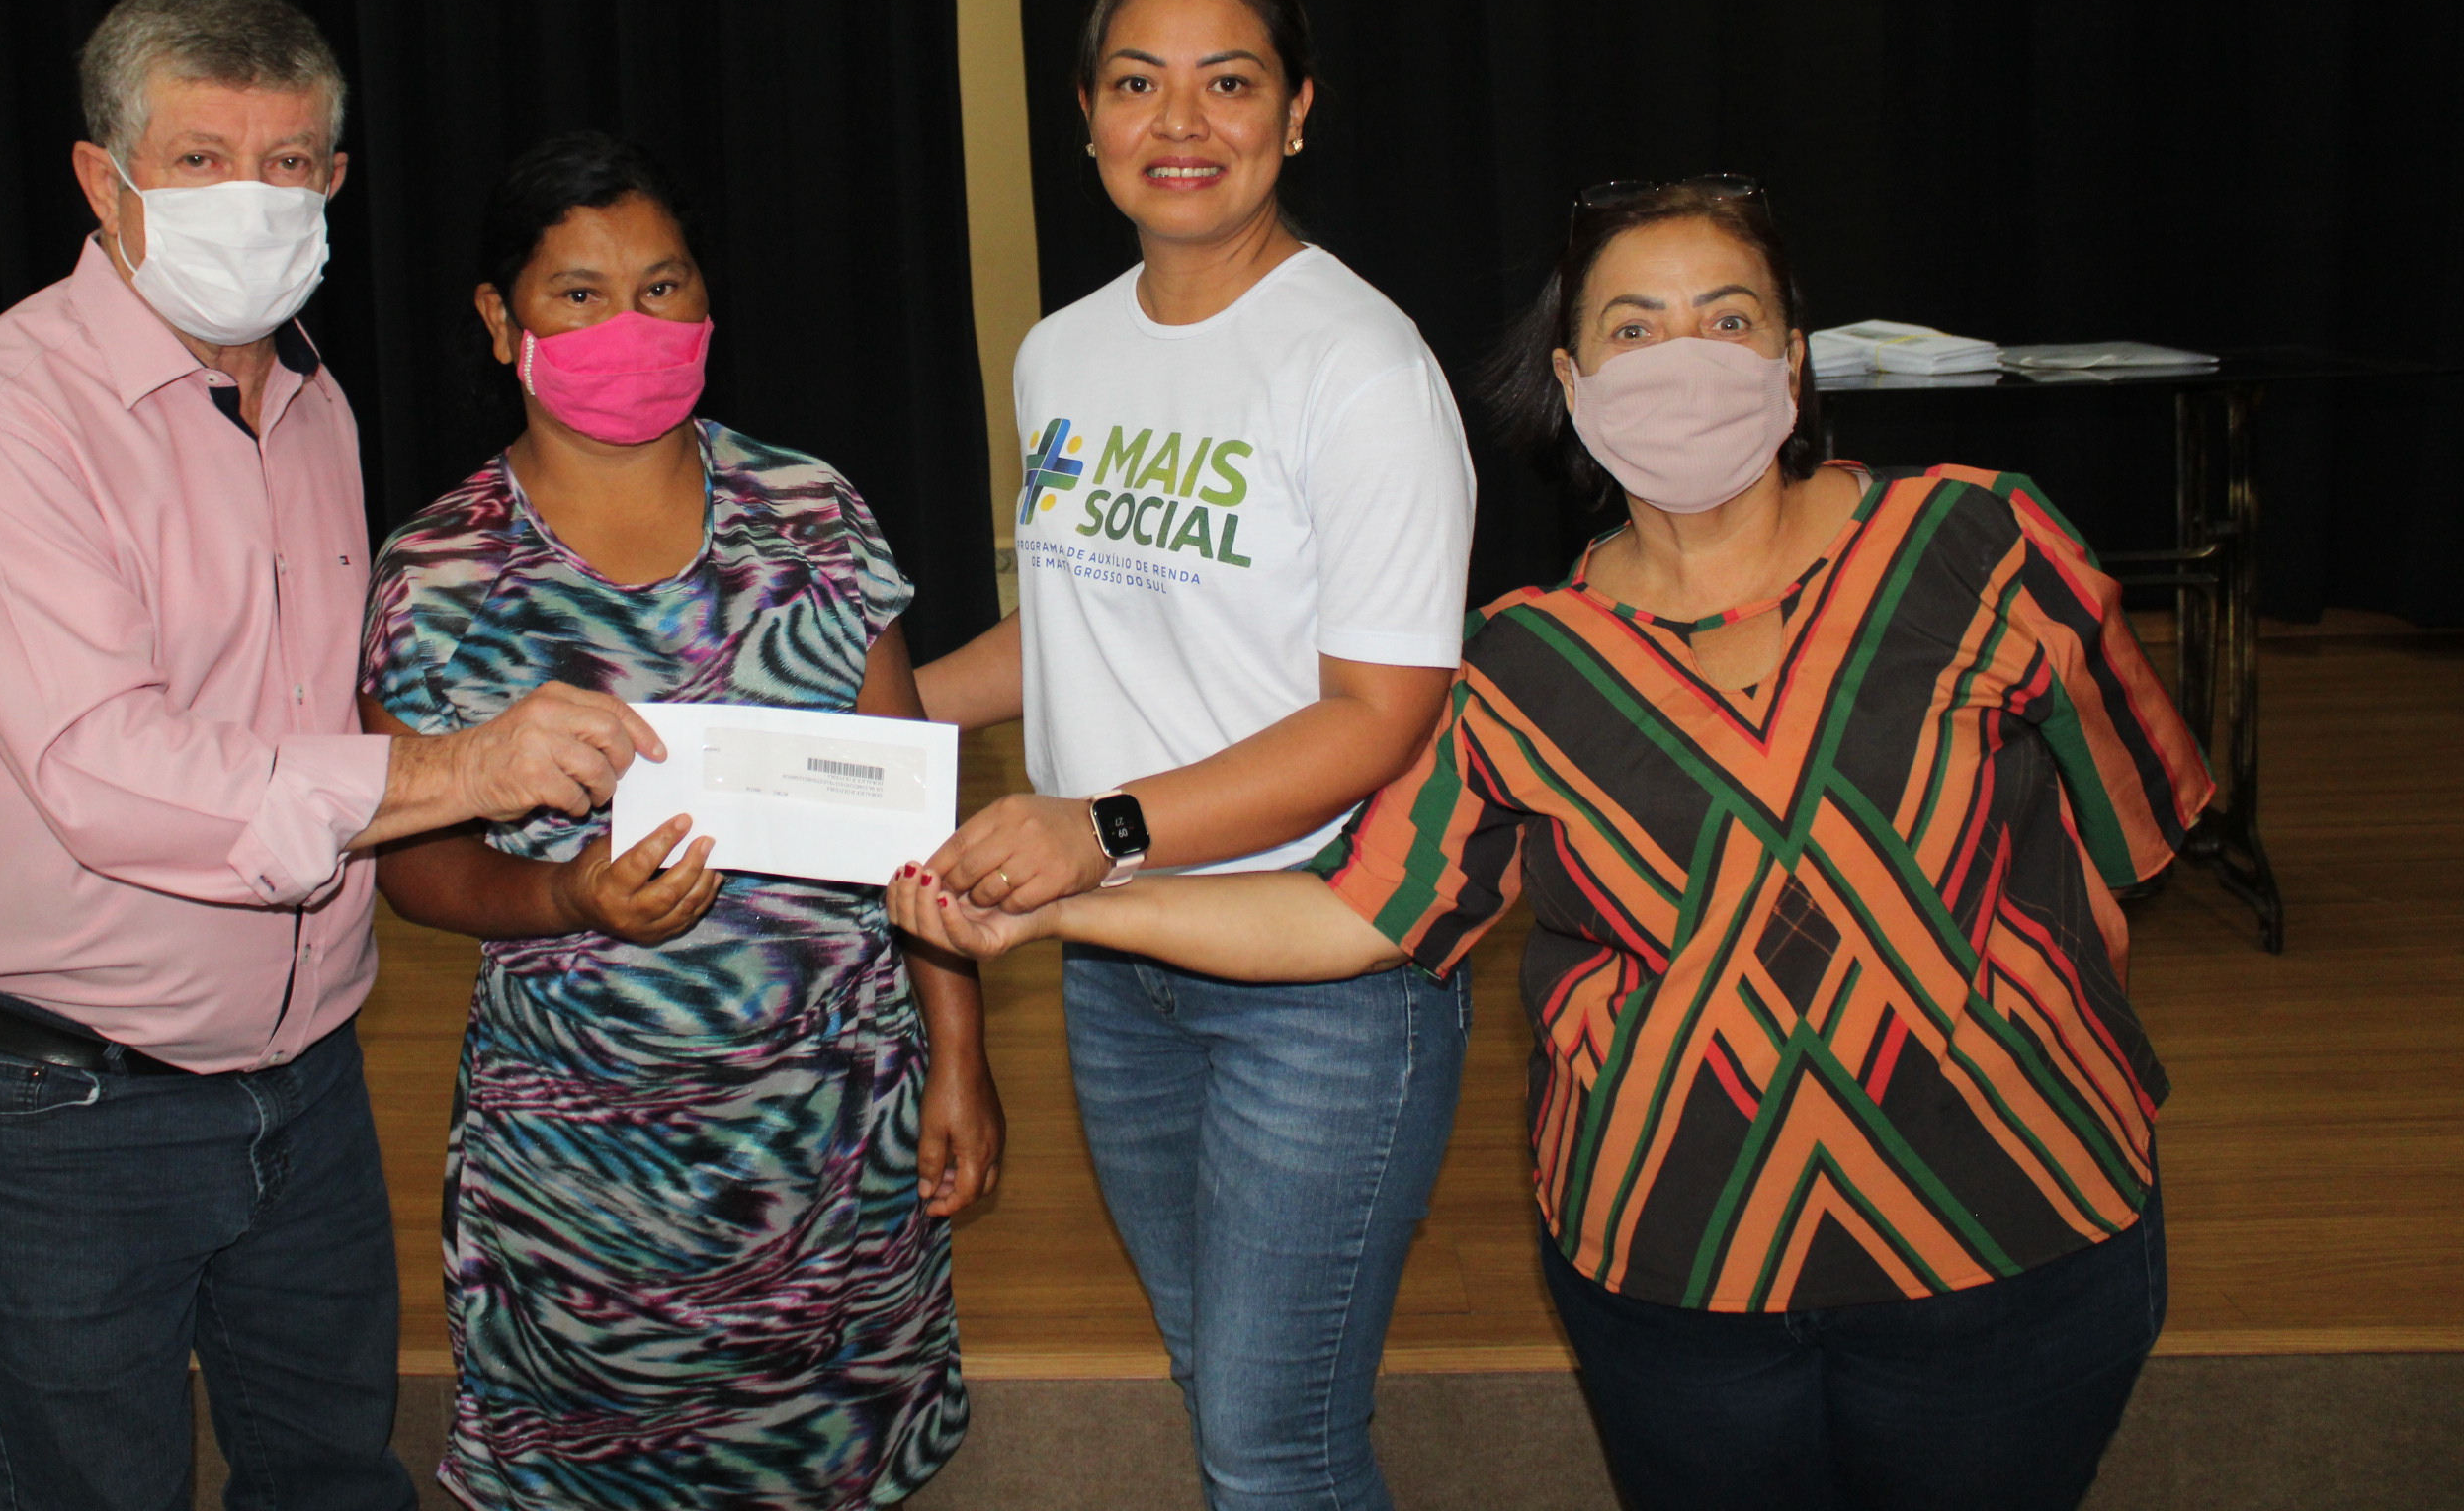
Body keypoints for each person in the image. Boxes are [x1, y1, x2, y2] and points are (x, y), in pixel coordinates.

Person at [894, 176, 2215, 1511]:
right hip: (1676, 1281)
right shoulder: (1519, 663)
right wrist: (1058, 908)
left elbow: (2132, 840)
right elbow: (1357, 914)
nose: (1685, 361)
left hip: (2019, 1247)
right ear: (1573, 385)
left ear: (1794, 360)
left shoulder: (1986, 543)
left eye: (1728, 319)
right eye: (1635, 329)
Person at [0, 0, 668, 1511]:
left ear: (336, 180)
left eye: (289, 162)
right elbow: (111, 772)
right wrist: (465, 768)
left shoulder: (311, 403)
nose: (253, 196)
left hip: (305, 1072)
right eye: (201, 159)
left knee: (331, 1467)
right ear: (102, 178)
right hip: (73, 1091)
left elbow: (308, 712)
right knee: (99, 1487)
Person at [913, 0, 1477, 1510]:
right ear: (1086, 116)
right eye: (1136, 84)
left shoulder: (1359, 367)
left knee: (1272, 1444)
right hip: (1117, 966)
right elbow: (1079, 617)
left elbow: (1381, 714)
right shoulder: (1062, 351)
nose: (1180, 123)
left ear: (1296, 113)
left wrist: (1099, 831)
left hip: (1318, 975)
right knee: (1219, 1386)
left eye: (1227, 84)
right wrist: (872, 708)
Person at [356, 131, 999, 1510]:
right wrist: (565, 895)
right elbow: (411, 866)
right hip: (585, 1171)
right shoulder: (439, 572)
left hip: (836, 1136)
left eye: (662, 285)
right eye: (579, 294)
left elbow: (915, 815)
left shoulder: (810, 513)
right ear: (501, 320)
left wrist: (959, 1055)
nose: (630, 324)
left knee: (831, 1469)